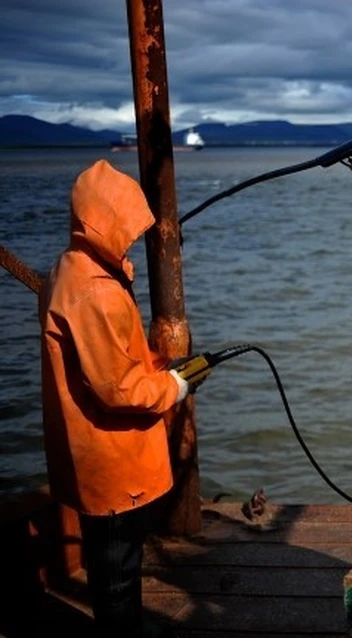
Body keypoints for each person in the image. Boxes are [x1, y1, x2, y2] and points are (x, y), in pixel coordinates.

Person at [38, 159, 205, 637]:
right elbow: (118, 388)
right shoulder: (96, 293)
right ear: (102, 223)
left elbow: (106, 363)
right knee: (117, 577)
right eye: (126, 227)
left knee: (115, 573)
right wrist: (173, 386)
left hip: (87, 456)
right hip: (112, 463)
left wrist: (155, 367)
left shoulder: (64, 271)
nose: (130, 237)